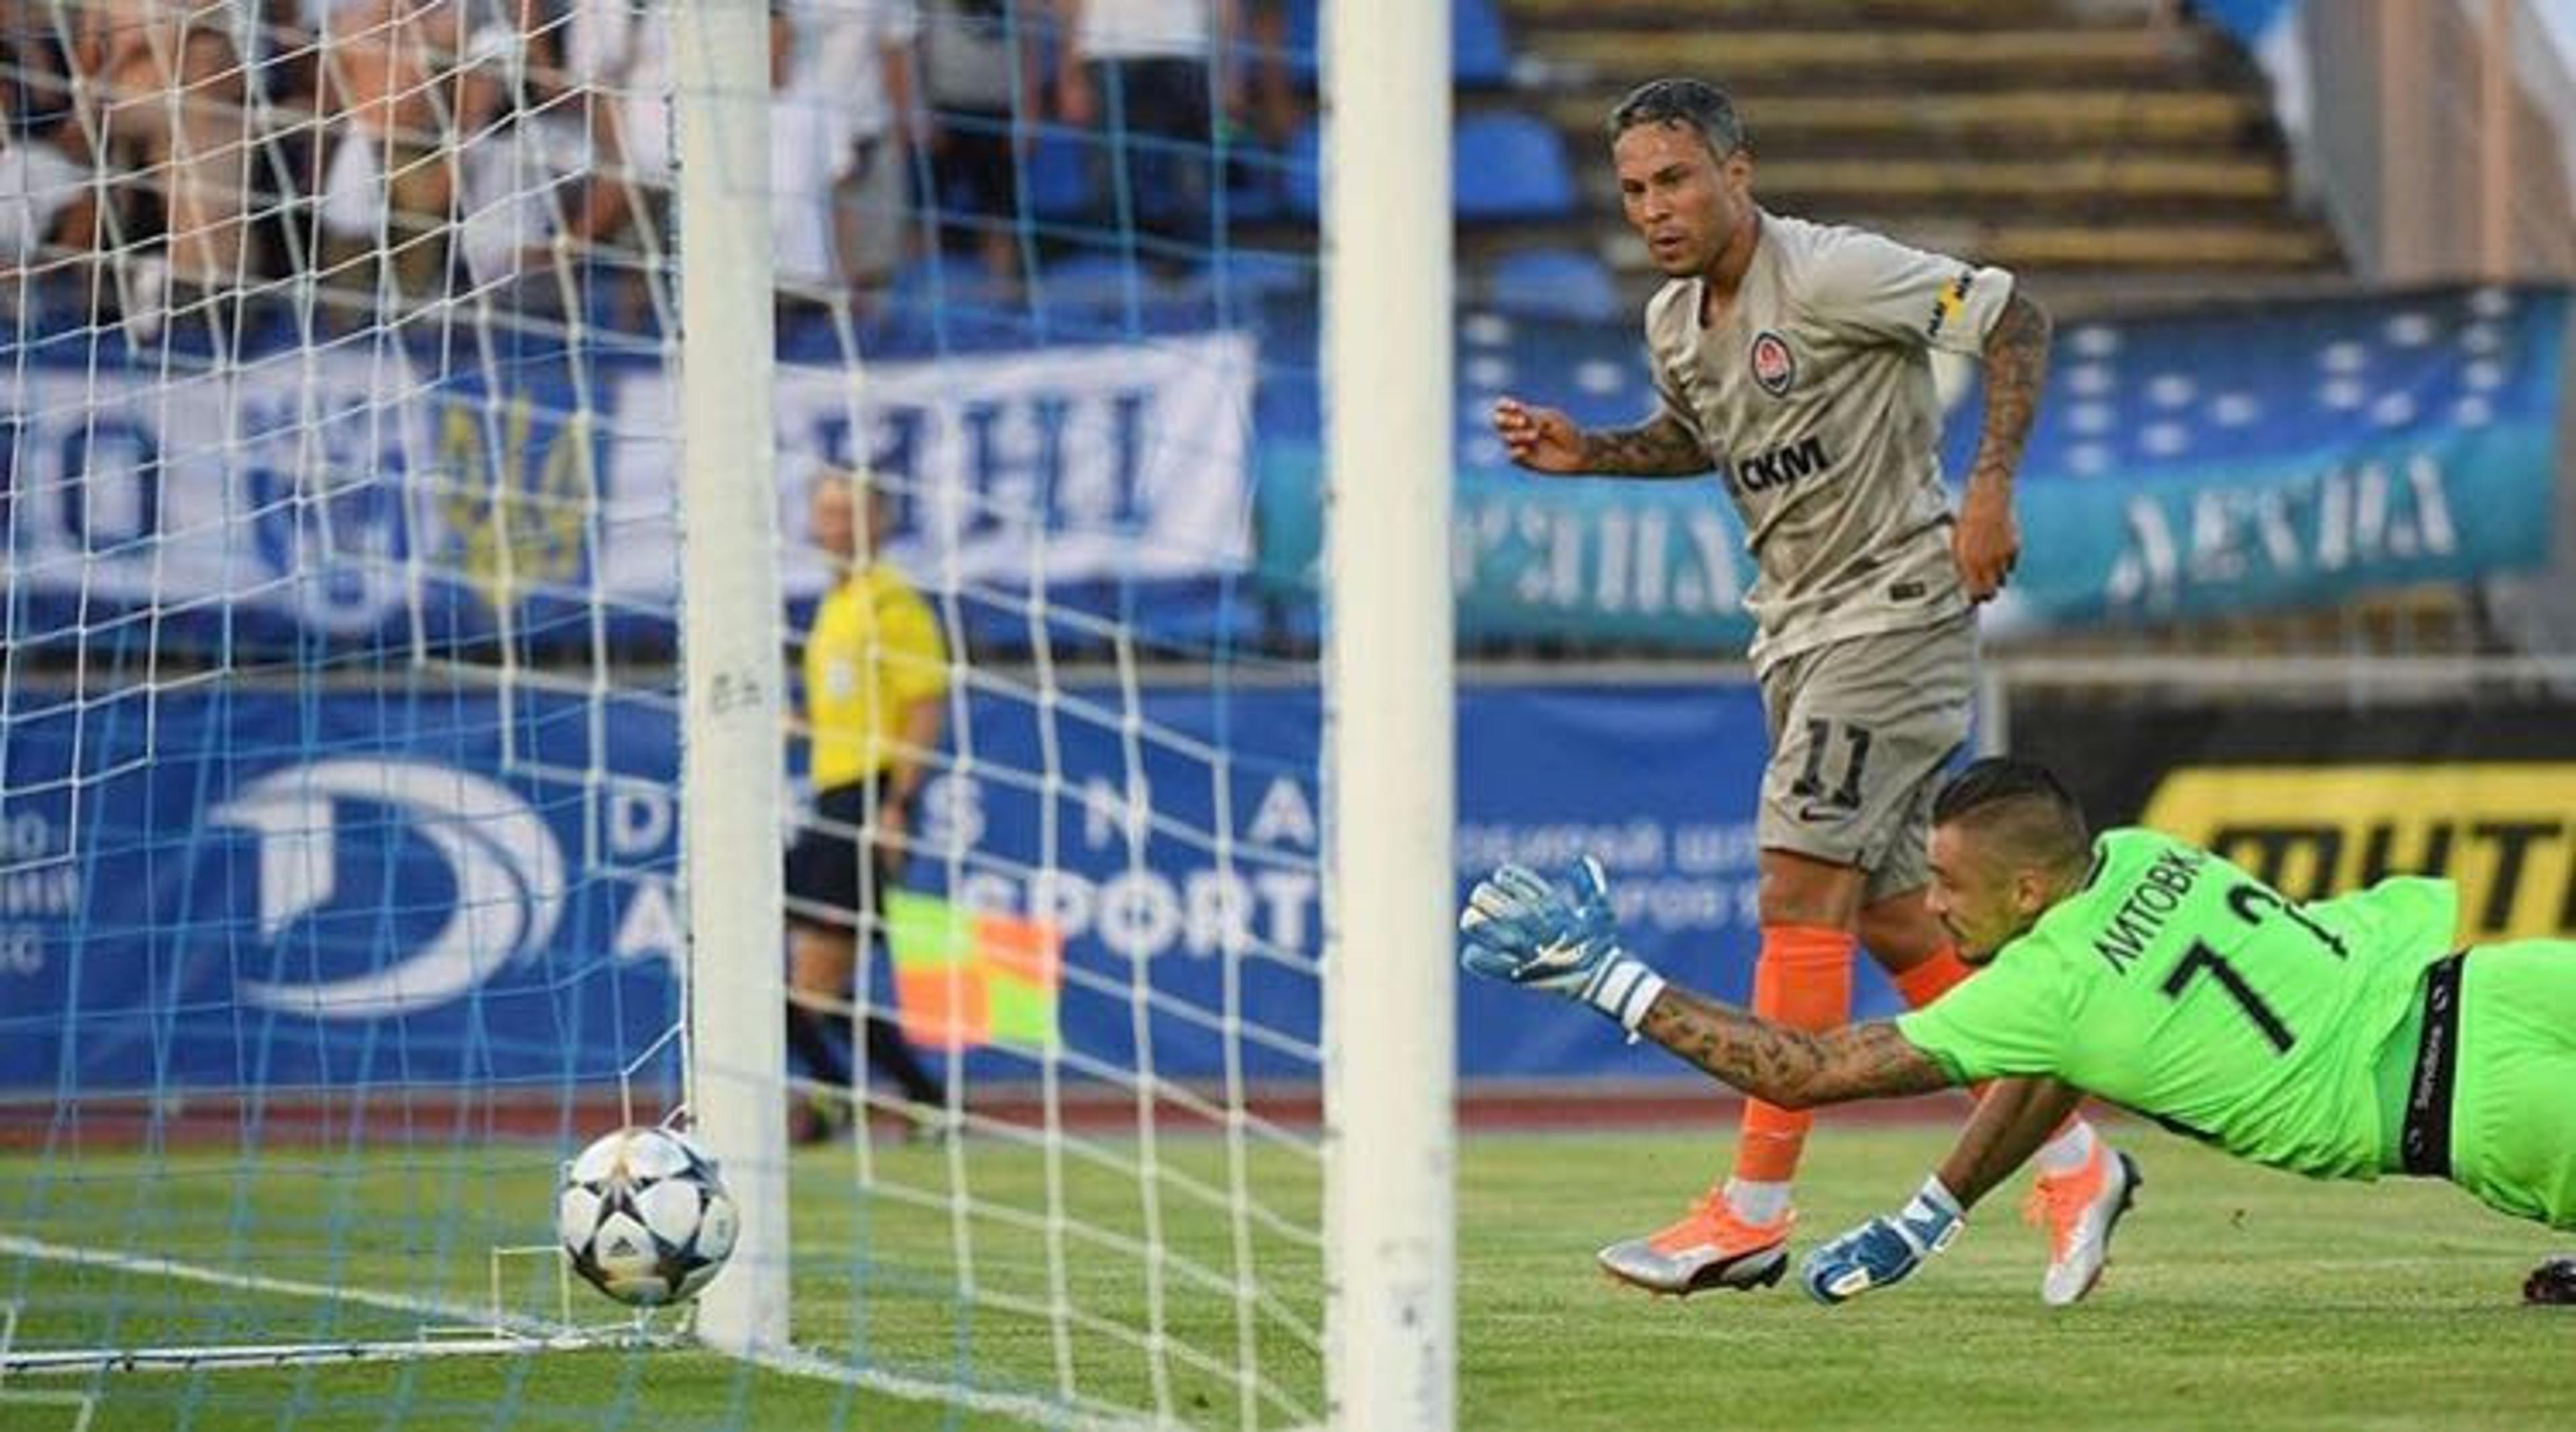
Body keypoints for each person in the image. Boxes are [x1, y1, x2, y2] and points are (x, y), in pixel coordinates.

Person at [1487, 75, 2122, 1302]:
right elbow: (1704, 435)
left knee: (1796, 882)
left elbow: (2012, 318)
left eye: (1676, 179)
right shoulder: (1675, 324)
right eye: (1633, 190)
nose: (1655, 209)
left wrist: (1988, 488)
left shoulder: (1832, 273)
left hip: (1894, 613)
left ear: (1738, 169)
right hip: (1795, 634)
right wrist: (1595, 454)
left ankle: (1754, 1210)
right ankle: (2073, 1157)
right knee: (1891, 919)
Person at [1458, 757, 2576, 1306]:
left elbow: (1804, 1070)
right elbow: (2068, 1056)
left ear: (2032, 889)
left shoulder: (2046, 984)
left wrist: (1607, 980)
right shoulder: (2141, 854)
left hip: (2476, 1105)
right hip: (2493, 984)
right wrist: (1932, 1213)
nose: (1933, 905)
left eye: (1949, 884)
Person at [784, 468, 953, 1143]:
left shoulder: (892, 603)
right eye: (826, 513)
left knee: (813, 978)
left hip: (870, 796)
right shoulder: (836, 604)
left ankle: (843, 1099)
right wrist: (799, 726)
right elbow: (852, 707)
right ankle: (908, 1095)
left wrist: (896, 805)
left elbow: (923, 704)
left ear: (880, 523)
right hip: (832, 794)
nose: (836, 526)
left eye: (850, 514)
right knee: (811, 978)